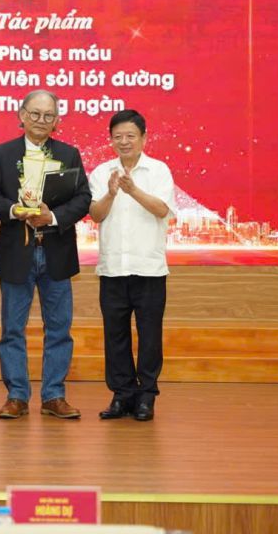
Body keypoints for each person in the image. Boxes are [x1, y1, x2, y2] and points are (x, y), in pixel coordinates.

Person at [0, 90, 91, 420]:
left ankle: (54, 396)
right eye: (35, 114)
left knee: (59, 328)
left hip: (56, 252)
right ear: (21, 115)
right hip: (17, 252)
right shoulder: (1, 154)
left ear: (57, 121)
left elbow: (83, 197)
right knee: (12, 329)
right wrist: (16, 210)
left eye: (48, 116)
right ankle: (17, 395)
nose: (41, 120)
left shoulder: (69, 154)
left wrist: (53, 218)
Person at [88, 109, 175, 422]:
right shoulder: (101, 172)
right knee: (116, 335)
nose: (124, 142)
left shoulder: (158, 170)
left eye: (130, 136)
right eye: (118, 136)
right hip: (112, 269)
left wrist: (132, 189)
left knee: (149, 335)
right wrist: (111, 193)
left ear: (143, 138)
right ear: (110, 139)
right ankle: (122, 395)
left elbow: (162, 209)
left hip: (149, 269)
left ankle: (146, 396)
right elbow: (96, 214)